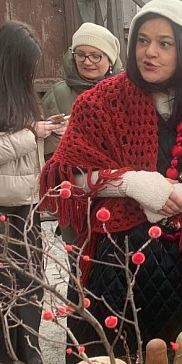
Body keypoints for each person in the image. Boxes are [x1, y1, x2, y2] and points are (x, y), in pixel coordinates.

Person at [40, 0, 182, 364]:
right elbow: (71, 177)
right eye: (142, 41)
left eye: (165, 43)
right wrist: (130, 183)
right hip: (117, 266)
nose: (150, 53)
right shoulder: (98, 104)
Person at [0, 22, 66, 364]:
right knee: (1, 286)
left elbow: (18, 144)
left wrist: (47, 131)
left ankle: (23, 361)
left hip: (21, 203)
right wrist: (29, 135)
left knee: (30, 284)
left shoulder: (10, 88)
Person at [41, 22, 123, 244]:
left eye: (96, 56)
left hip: (118, 192)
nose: (87, 62)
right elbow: (44, 152)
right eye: (81, 55)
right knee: (79, 260)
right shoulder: (58, 94)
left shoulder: (126, 92)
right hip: (75, 194)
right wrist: (55, 135)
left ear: (110, 60)